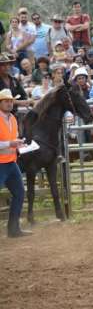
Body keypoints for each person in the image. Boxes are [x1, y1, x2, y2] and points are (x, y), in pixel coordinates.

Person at [0, 89, 30, 238]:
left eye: (11, 101)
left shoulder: (13, 118)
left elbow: (14, 138)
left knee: (19, 193)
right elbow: (8, 142)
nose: (9, 103)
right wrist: (10, 143)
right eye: (6, 101)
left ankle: (13, 229)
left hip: (11, 163)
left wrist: (19, 145)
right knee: (19, 193)